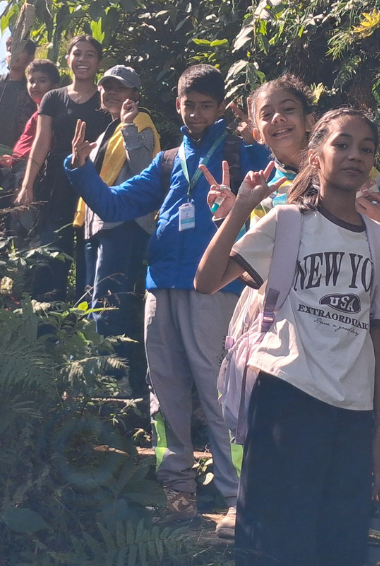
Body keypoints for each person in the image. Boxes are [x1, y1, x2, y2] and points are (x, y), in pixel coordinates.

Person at [195, 107, 380, 566]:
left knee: (337, 564)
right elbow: (208, 280)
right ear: (316, 152)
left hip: (349, 421)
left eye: (366, 147)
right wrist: (240, 210)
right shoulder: (287, 225)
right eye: (342, 143)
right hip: (287, 406)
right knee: (274, 563)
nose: (355, 155)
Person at [206, 77, 380, 566]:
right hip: (287, 346)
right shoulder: (268, 186)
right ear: (255, 127)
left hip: (365, 334)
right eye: (266, 114)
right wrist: (233, 211)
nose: (278, 121)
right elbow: (245, 265)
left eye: (288, 110)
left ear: (309, 121)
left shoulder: (358, 162)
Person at [65, 64, 270, 529]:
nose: (195, 114)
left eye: (205, 106)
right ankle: (175, 485)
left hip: (218, 287)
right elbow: (115, 204)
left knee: (220, 390)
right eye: (187, 105)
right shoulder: (167, 161)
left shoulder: (246, 155)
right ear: (176, 105)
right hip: (161, 284)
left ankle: (238, 492)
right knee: (164, 388)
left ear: (220, 108)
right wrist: (79, 169)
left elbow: (280, 194)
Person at [69, 65, 160, 379]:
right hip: (100, 225)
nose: (110, 93)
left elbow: (147, 170)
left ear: (134, 94)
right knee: (95, 299)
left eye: (119, 88)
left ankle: (114, 377)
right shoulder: (106, 130)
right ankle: (97, 373)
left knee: (111, 303)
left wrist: (129, 128)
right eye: (106, 86)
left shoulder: (139, 121)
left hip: (125, 224)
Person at [16, 35, 108, 300]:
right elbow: (41, 142)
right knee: (53, 246)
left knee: (89, 249)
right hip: (56, 182)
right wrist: (27, 185)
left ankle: (84, 317)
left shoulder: (106, 99)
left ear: (98, 62)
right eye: (77, 53)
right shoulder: (54, 98)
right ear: (68, 59)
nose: (82, 59)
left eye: (90, 54)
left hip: (94, 181)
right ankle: (46, 319)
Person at [0, 35, 38, 150]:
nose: (13, 54)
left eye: (20, 51)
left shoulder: (33, 89)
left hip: (20, 154)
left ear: (31, 58)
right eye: (10, 51)